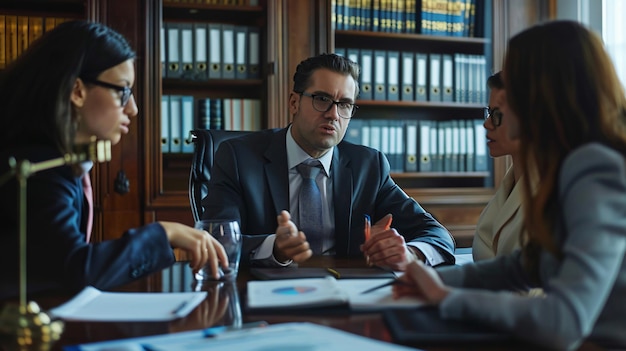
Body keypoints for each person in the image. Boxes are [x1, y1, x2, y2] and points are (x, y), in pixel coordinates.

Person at [393, 20, 626, 351]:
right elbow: (524, 266)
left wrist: (447, 298)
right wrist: (430, 280)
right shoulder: (564, 165)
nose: (500, 102)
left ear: (539, 96)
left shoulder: (594, 165)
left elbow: (564, 322)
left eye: (511, 89)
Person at [0, 20, 227, 299]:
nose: (133, 109)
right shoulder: (35, 166)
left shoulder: (59, 161)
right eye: (122, 91)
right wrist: (162, 233)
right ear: (77, 91)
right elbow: (73, 270)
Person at [201, 53, 455, 270]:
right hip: (265, 297)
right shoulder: (238, 158)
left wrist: (410, 254)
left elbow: (437, 235)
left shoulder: (368, 166)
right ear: (294, 102)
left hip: (346, 295)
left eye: (344, 104)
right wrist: (274, 247)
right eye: (322, 99)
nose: (334, 114)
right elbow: (214, 241)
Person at [472, 71, 524, 261]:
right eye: (489, 112)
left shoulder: (558, 189)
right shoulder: (511, 182)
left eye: (496, 114)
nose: (486, 124)